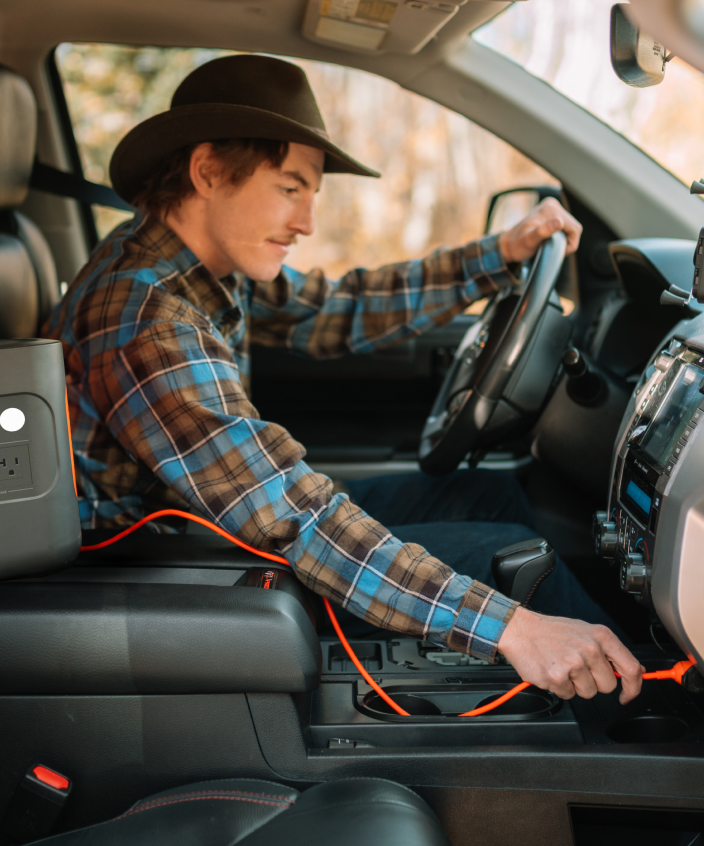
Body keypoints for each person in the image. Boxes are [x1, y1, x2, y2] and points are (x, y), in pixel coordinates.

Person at [45, 54, 643, 704]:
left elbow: (336, 310)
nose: (305, 221)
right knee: (516, 559)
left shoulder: (194, 267)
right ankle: (645, 715)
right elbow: (291, 516)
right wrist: (509, 627)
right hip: (180, 569)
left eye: (312, 195)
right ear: (208, 170)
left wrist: (496, 255)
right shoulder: (146, 319)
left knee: (488, 497)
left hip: (213, 525)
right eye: (289, 187)